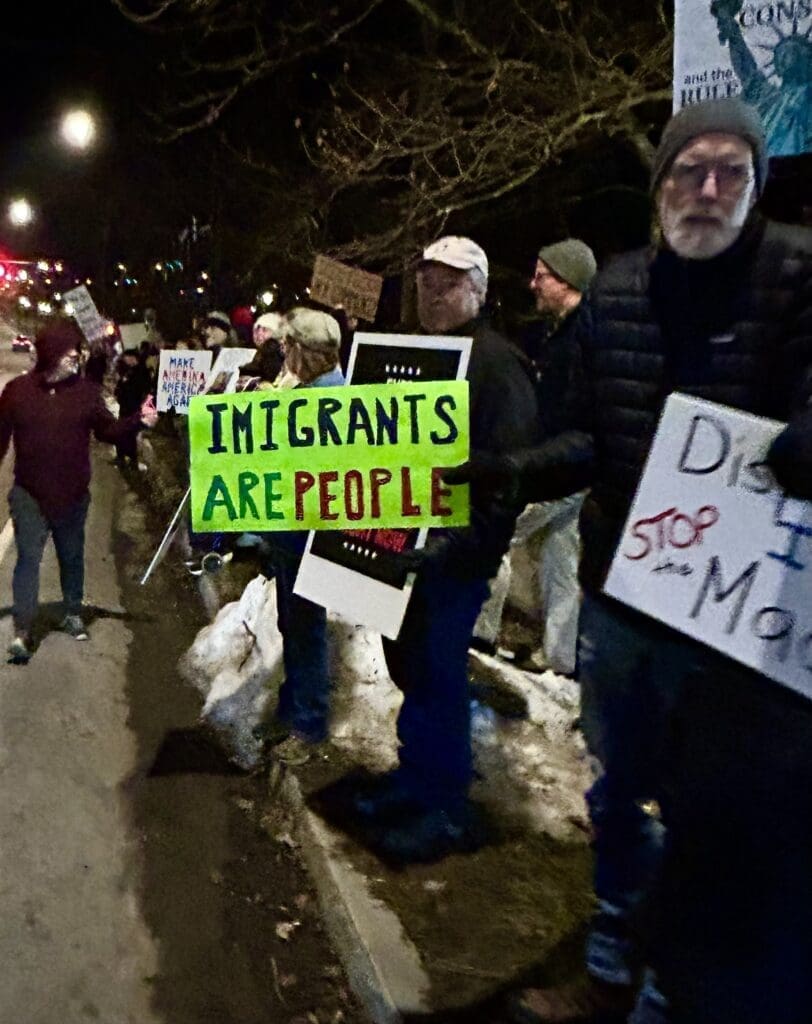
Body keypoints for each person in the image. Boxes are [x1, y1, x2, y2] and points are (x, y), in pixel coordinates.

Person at [450, 98, 811, 1023]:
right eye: (689, 170)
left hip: (745, 622)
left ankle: (668, 988)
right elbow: (583, 441)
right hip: (624, 597)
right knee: (618, 794)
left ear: (757, 185)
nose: (709, 188)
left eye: (731, 170)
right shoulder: (613, 293)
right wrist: (508, 473)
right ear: (659, 189)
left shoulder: (799, 275)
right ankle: (609, 969)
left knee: (715, 814)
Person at [358, 236, 540, 862]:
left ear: (480, 291)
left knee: (439, 677)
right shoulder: (409, 353)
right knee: (407, 668)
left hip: (454, 564)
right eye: (426, 281)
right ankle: (413, 780)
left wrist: (451, 546)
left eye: (450, 282)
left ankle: (446, 808)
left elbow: (505, 481)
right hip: (399, 551)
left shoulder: (498, 365)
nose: (434, 293)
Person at [0, 320, 158, 663]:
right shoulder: (16, 392)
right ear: (51, 352)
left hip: (72, 495)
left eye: (77, 350)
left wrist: (138, 422)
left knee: (71, 555)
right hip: (29, 494)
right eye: (70, 350)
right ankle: (22, 631)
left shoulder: (86, 392)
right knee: (28, 560)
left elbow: (108, 431)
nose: (76, 355)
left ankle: (72, 610)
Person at [472, 239, 596, 674]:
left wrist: (527, 458)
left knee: (494, 539)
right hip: (572, 475)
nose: (533, 284)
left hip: (554, 473)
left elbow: (573, 416)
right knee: (561, 564)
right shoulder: (563, 333)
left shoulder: (581, 339)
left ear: (567, 281)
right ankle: (562, 660)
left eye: (541, 276)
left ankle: (478, 632)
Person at [258, 308, 345, 759]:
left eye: (288, 346)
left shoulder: (330, 401)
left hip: (310, 537)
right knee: (291, 624)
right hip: (289, 535)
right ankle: (292, 710)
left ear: (305, 352)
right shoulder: (303, 389)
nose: (283, 354)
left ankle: (308, 724)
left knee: (306, 629)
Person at [237, 311, 286, 390]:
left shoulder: (272, 352)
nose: (259, 333)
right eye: (257, 329)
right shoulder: (255, 351)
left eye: (265, 330)